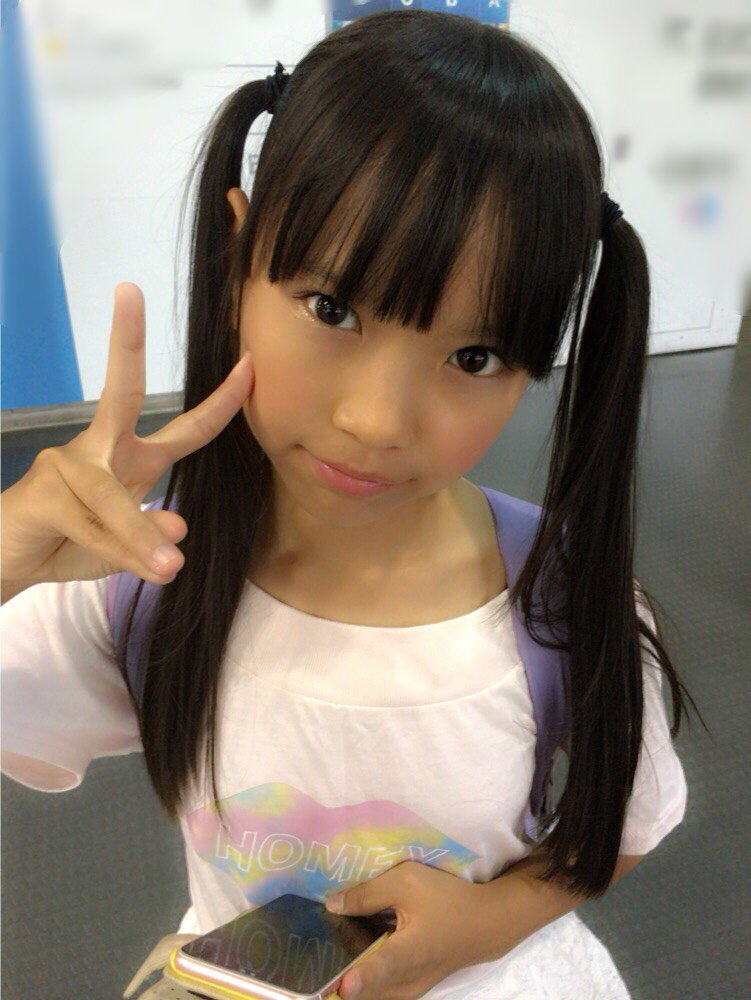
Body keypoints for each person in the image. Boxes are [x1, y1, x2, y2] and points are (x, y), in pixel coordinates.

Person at [1, 10, 703, 999]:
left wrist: (485, 922)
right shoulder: (143, 572)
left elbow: (619, 828)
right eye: (332, 308)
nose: (376, 421)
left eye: (473, 357)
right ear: (240, 253)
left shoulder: (567, 606)